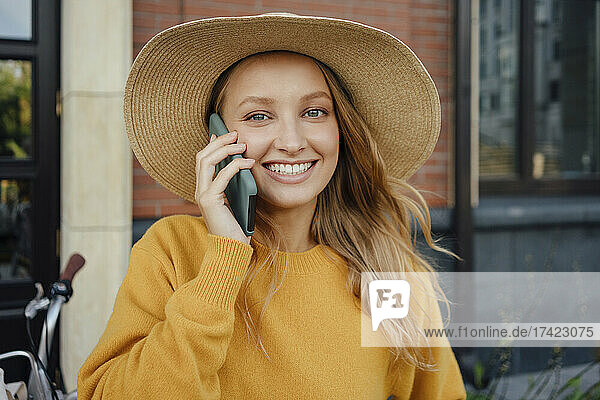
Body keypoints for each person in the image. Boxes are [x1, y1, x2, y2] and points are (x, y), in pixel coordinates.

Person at [78, 12, 467, 399]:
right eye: (258, 116)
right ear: (217, 138)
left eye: (314, 111)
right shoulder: (172, 251)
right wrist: (224, 263)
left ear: (341, 129)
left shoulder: (387, 270)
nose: (293, 141)